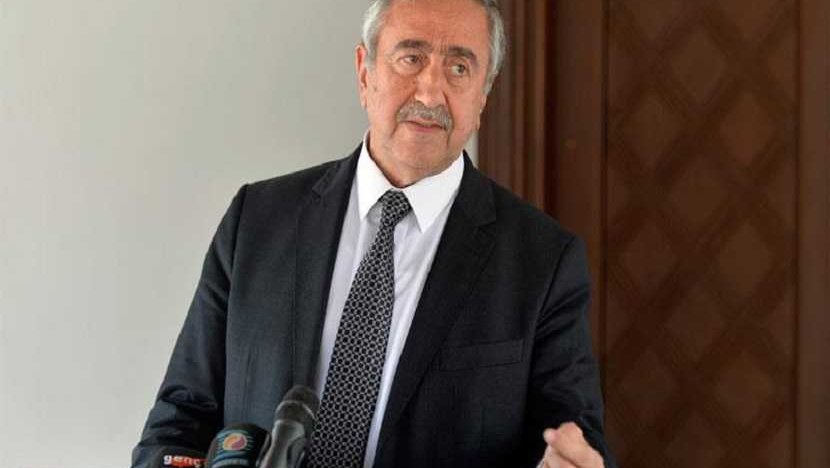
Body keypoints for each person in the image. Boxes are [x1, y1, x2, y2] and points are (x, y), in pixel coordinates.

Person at [132, 1, 615, 467]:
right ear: (365, 73)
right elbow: (178, 424)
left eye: (459, 68)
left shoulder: (543, 262)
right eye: (411, 58)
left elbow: (577, 445)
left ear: (483, 95)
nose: (430, 93)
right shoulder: (257, 221)